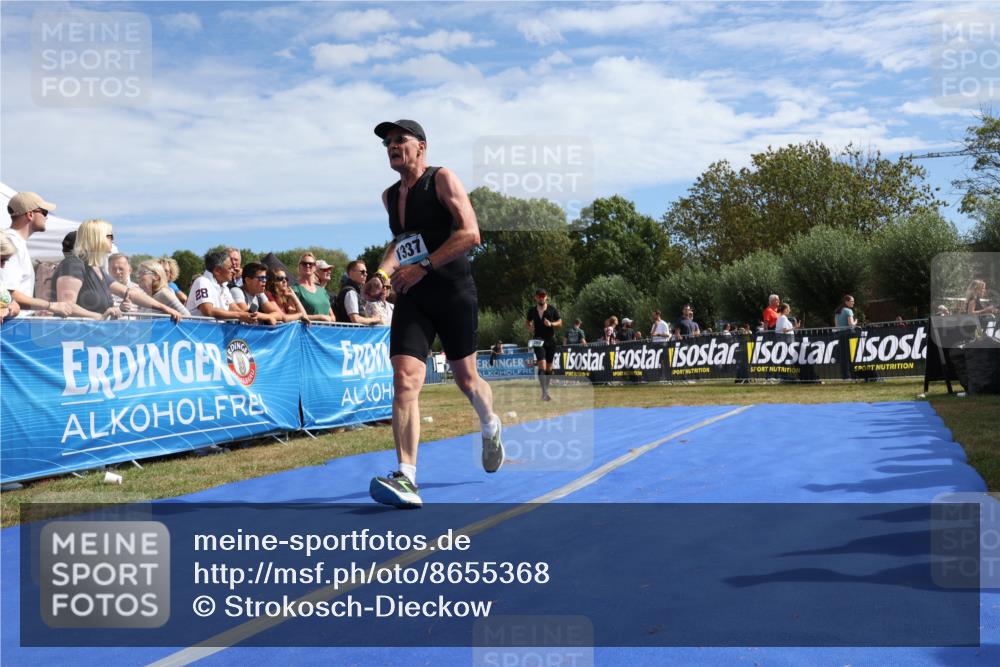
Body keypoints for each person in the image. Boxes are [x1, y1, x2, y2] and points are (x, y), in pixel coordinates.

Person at [365, 118, 504, 508]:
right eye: (387, 143)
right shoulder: (390, 196)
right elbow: (401, 243)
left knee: (466, 379)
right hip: (413, 294)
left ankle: (490, 425)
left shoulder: (442, 178)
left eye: (400, 140)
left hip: (454, 291)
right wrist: (381, 273)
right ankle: (406, 477)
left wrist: (424, 266)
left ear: (421, 146)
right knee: (405, 377)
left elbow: (471, 233)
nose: (392, 146)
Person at [54, 219, 183, 321]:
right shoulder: (73, 264)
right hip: (75, 343)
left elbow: (130, 293)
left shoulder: (95, 269)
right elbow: (66, 305)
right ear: (96, 237)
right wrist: (99, 317)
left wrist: (164, 307)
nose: (113, 240)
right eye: (110, 236)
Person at [2, 191, 55, 299]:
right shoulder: (12, 243)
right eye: (44, 212)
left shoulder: (14, 241)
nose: (46, 217)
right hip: (10, 315)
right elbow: (8, 293)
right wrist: (50, 306)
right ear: (30, 214)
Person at [186, 250, 254, 322]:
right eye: (230, 268)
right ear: (217, 271)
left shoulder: (224, 287)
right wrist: (240, 316)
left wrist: (250, 315)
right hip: (199, 331)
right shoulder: (202, 282)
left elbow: (235, 309)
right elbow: (208, 311)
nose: (233, 271)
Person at [526, 287, 562, 401]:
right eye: (539, 296)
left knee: (549, 367)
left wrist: (551, 324)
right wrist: (530, 327)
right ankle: (544, 392)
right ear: (536, 297)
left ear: (546, 297)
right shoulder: (532, 311)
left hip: (550, 340)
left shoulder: (552, 309)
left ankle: (546, 389)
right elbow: (527, 321)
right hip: (538, 340)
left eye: (543, 296)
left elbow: (560, 323)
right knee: (541, 363)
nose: (541, 298)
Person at [335, 260, 382, 325]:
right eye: (362, 272)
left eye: (366, 272)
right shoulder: (350, 292)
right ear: (351, 273)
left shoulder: (354, 292)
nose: (366, 274)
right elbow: (355, 319)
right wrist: (374, 319)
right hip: (350, 333)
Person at [292, 252, 335, 322]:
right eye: (304, 263)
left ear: (315, 267)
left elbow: (332, 317)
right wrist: (319, 317)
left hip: (326, 331)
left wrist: (330, 319)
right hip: (306, 331)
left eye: (311, 264)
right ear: (299, 266)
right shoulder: (295, 289)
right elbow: (292, 315)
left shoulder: (322, 291)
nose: (308, 265)